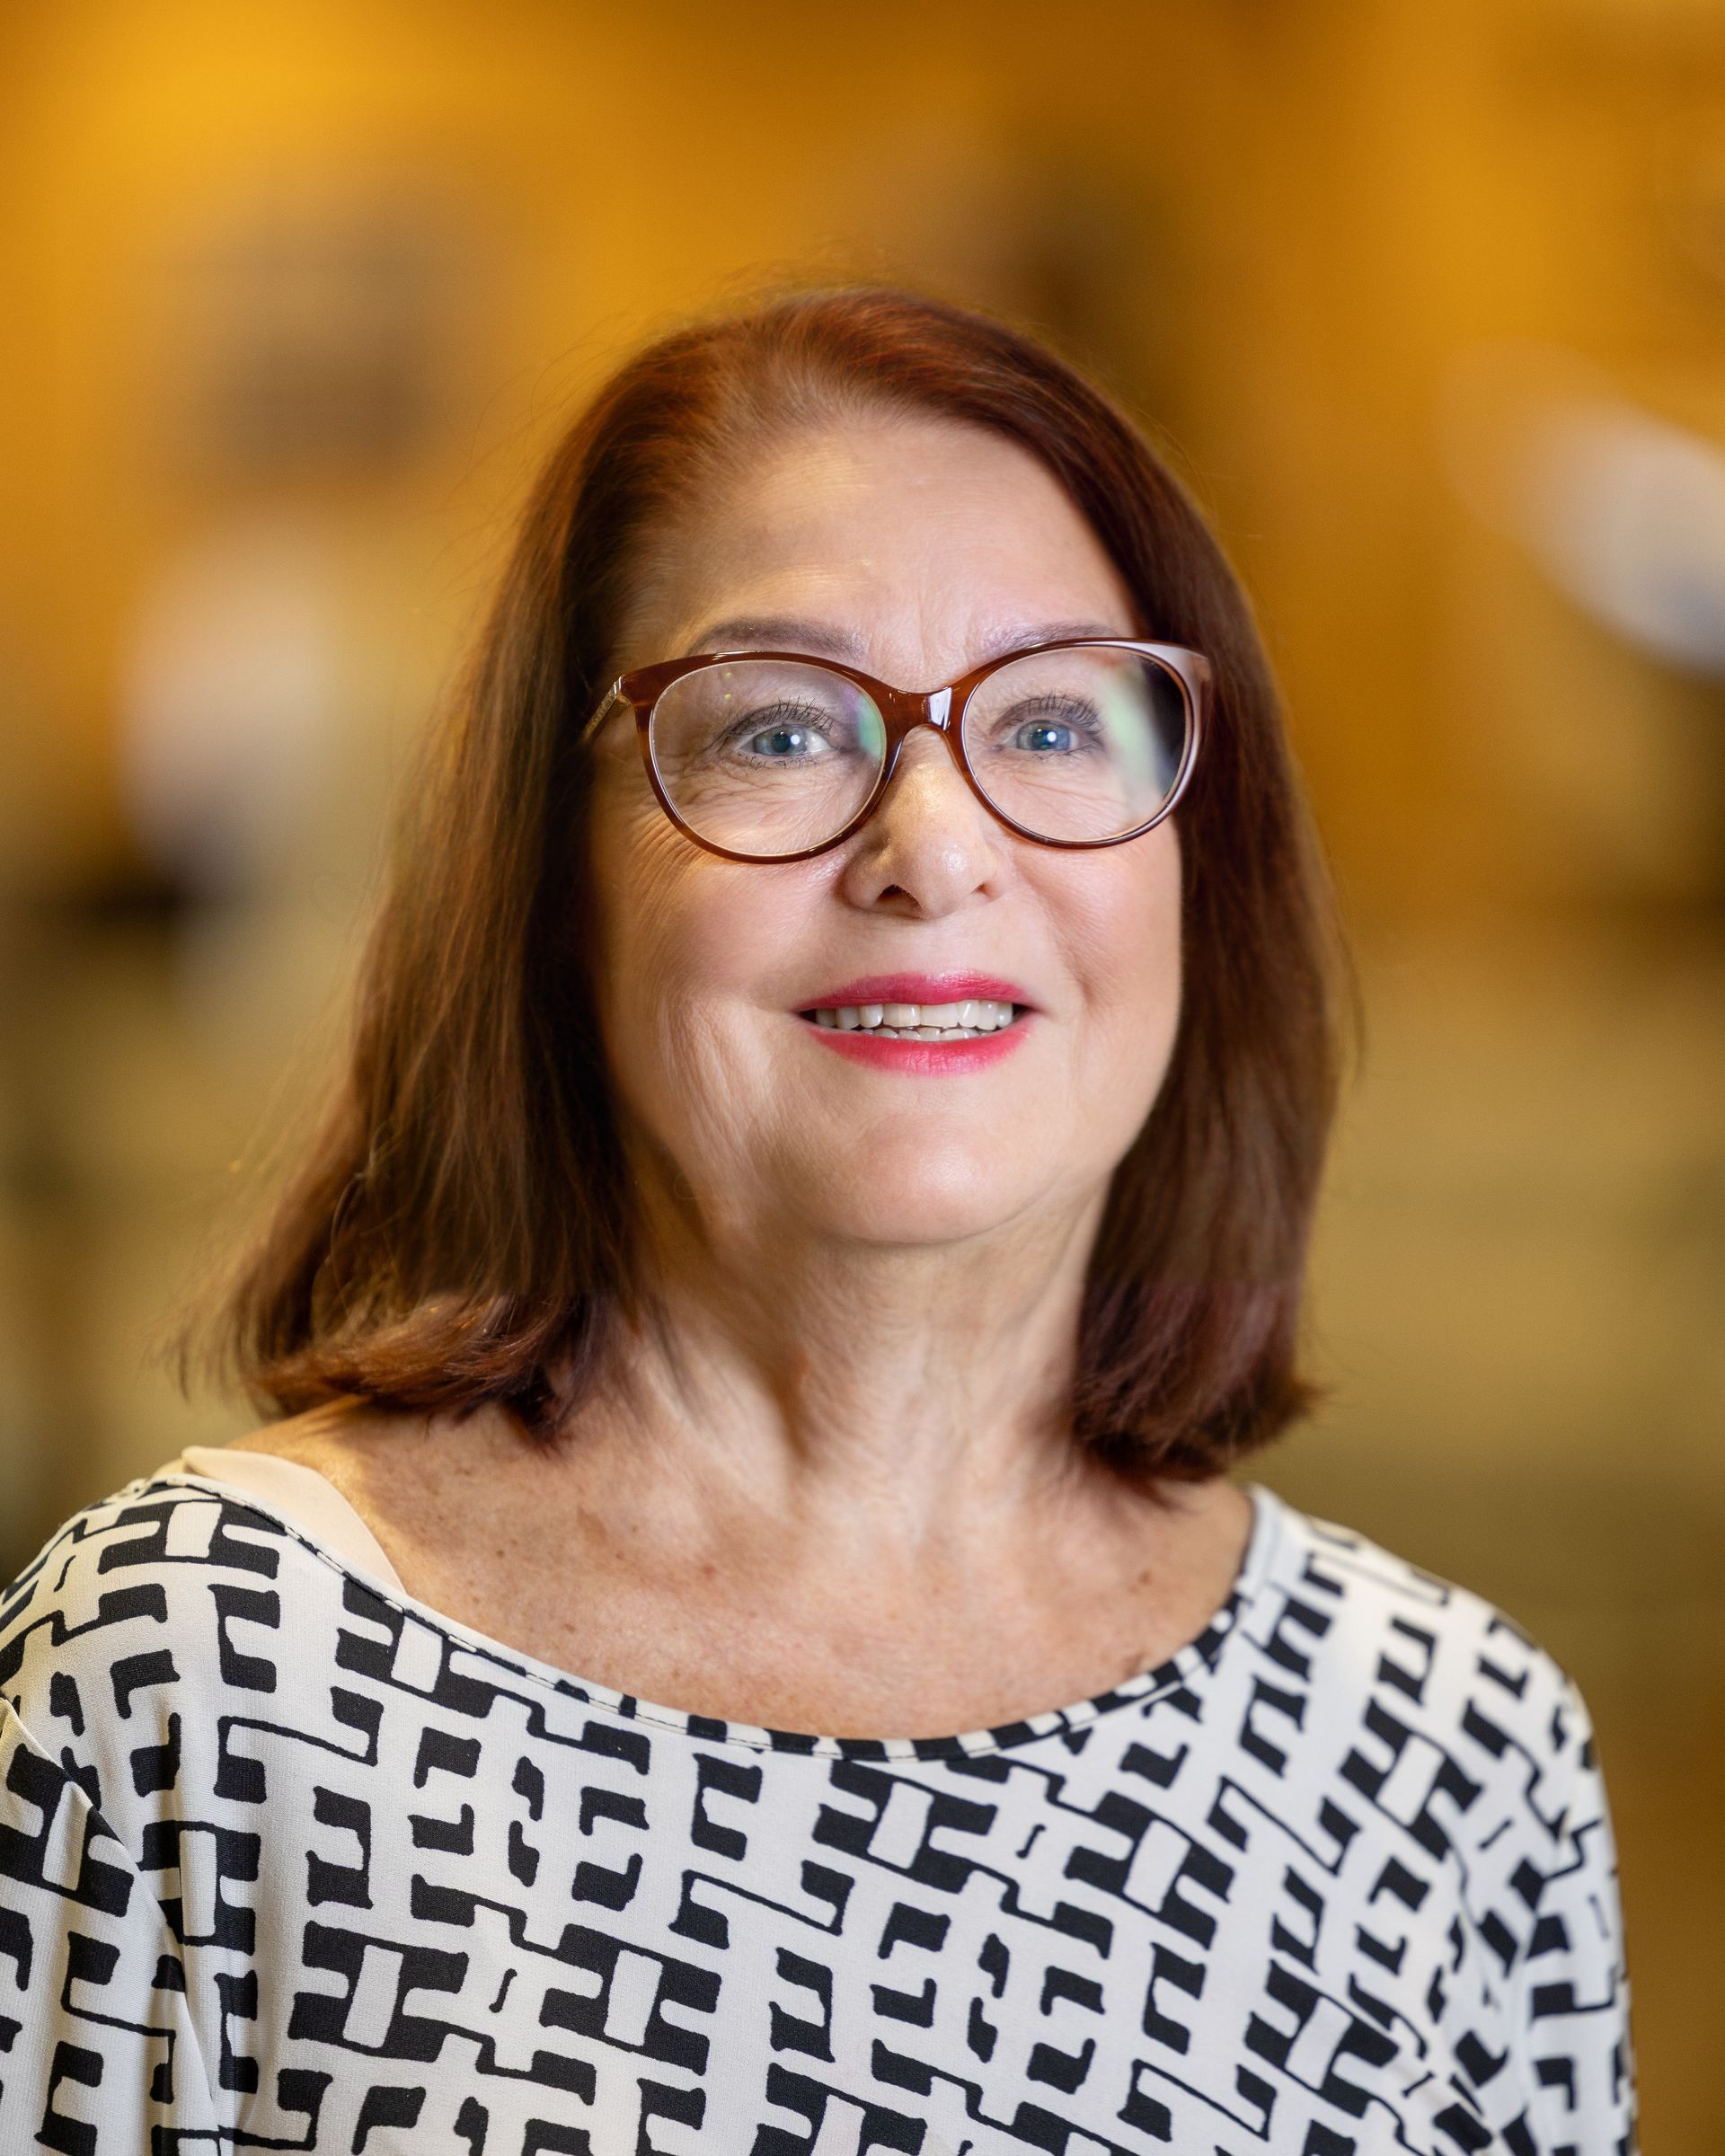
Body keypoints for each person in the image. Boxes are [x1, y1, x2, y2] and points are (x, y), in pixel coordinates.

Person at [0, 287, 1636, 2152]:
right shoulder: (200, 1676)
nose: (934, 847)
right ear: (550, 879)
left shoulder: (1456, 1759)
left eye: (1056, 719)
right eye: (779, 730)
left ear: (1204, 862)